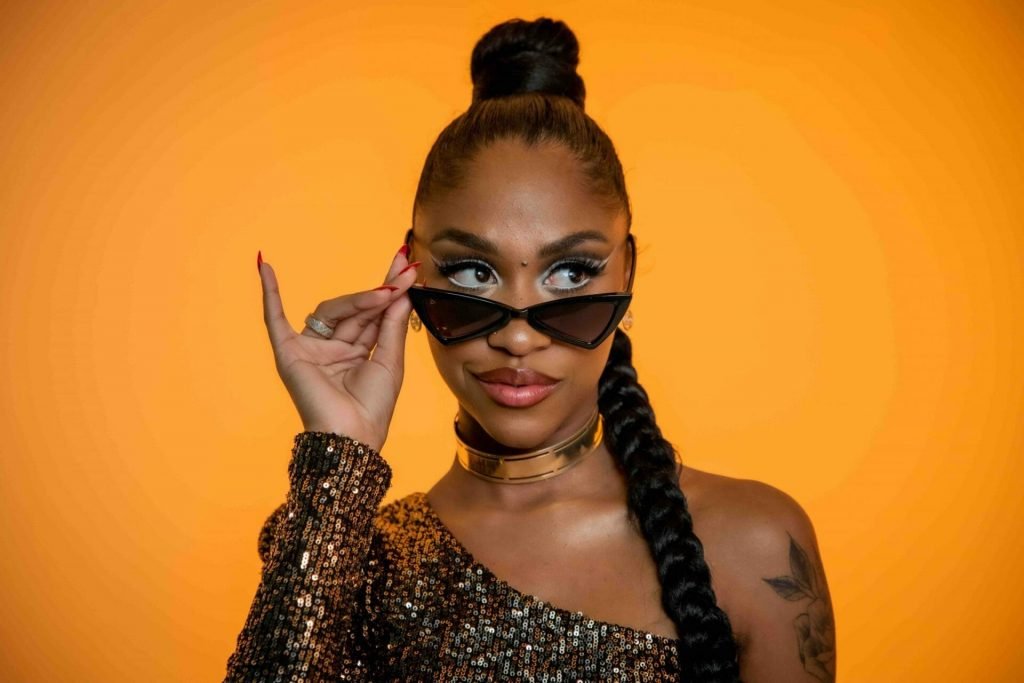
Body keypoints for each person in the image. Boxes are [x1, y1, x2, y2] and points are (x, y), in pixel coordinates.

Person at [224, 16, 836, 683]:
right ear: (410, 271)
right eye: (472, 271)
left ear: (626, 272)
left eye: (570, 272)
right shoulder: (353, 558)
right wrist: (337, 457)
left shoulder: (759, 548)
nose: (518, 336)